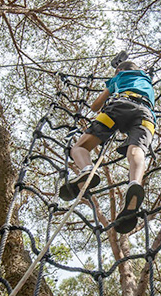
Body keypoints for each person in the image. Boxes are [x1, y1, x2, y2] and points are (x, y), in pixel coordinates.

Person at [59, 61, 155, 234]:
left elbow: (95, 106)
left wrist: (112, 83)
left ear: (119, 70)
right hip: (146, 114)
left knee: (79, 147)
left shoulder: (118, 77)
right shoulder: (147, 80)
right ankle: (135, 183)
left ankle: (87, 169)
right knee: (136, 150)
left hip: (119, 107)